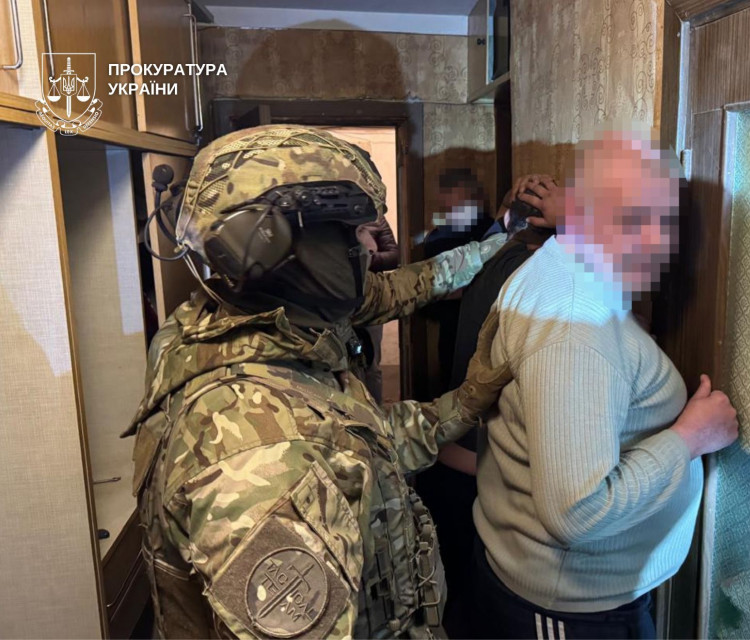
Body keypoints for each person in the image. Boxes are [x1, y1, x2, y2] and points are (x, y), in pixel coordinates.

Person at [122, 125, 512, 639]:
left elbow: (352, 444)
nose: (368, 249)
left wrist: (460, 406)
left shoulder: (221, 326)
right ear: (276, 246)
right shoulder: (265, 463)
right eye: (353, 233)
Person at [469, 130, 740, 639]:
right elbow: (577, 513)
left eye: (663, 219)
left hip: (573, 594)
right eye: (629, 218)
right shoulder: (576, 329)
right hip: (572, 609)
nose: (656, 241)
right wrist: (691, 438)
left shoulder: (563, 265)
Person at [414, 187, 556, 637]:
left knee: (454, 592)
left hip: (455, 449)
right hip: (479, 464)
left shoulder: (489, 256)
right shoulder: (530, 275)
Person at [421, 168, 502, 397]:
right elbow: (429, 284)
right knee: (453, 382)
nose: (450, 205)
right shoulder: (438, 236)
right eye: (446, 198)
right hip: (452, 324)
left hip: (485, 322)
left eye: (457, 198)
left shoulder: (489, 232)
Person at [356, 215, 400, 403]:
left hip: (371, 300)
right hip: (338, 301)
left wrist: (367, 259)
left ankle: (376, 412)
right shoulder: (330, 216)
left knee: (371, 364)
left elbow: (394, 256)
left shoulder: (376, 217)